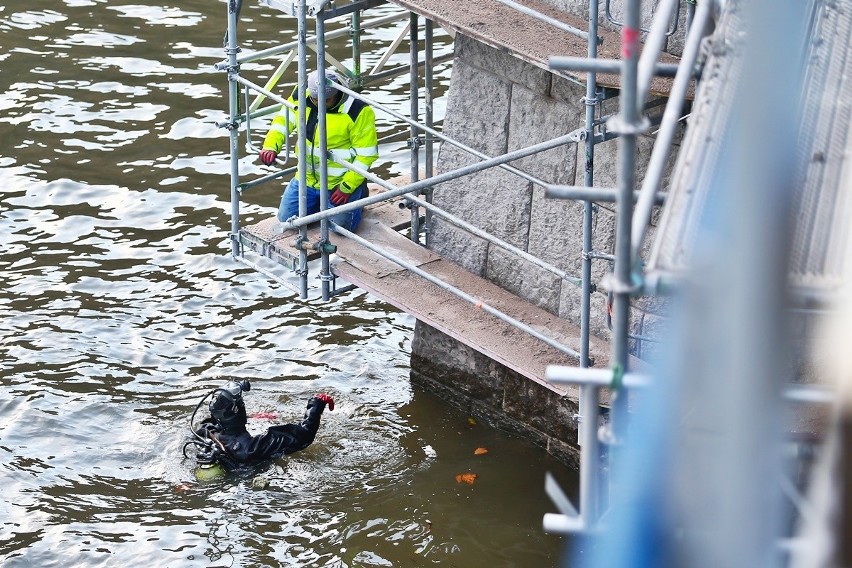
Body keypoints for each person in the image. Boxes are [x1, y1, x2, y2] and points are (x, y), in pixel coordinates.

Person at [259, 68, 379, 232]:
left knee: (340, 229)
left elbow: (366, 155)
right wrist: (271, 146)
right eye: (315, 99)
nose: (319, 103)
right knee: (286, 220)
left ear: (337, 92)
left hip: (339, 183)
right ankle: (321, 204)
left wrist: (347, 187)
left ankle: (358, 192)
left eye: (326, 100)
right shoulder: (301, 95)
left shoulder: (358, 111)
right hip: (306, 179)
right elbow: (282, 122)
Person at [191, 379, 334, 476]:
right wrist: (316, 404)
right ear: (240, 410)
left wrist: (253, 416)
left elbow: (223, 420)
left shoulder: (206, 432)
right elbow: (305, 434)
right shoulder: (255, 447)